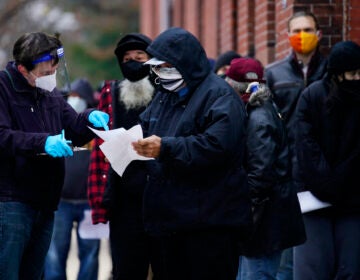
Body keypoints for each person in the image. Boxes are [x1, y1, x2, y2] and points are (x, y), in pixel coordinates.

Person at [131, 27, 253, 280]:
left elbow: (215, 147)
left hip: (209, 225)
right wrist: (127, 145)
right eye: (156, 67)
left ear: (184, 63)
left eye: (165, 66)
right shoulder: (165, 95)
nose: (159, 73)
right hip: (170, 222)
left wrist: (165, 148)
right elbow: (145, 127)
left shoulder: (219, 96)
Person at [0, 32, 109, 280]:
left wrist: (90, 118)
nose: (51, 78)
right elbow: (3, 136)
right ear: (22, 69)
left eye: (54, 71)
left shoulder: (49, 94)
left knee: (35, 273)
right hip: (11, 202)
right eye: (45, 73)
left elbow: (72, 125)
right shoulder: (3, 89)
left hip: (45, 203)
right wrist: (43, 142)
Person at [224, 57, 305, 280]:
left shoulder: (257, 118)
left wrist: (245, 218)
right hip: (267, 220)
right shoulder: (261, 110)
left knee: (256, 274)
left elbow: (260, 177)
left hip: (263, 225)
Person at [264, 11, 328, 278]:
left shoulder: (330, 71)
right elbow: (266, 124)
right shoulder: (273, 74)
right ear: (287, 36)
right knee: (287, 257)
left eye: (308, 30)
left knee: (319, 254)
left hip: (323, 171)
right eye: (297, 30)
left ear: (319, 34)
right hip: (286, 173)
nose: (303, 36)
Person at [88, 33, 155, 280]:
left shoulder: (163, 92)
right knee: (126, 268)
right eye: (127, 59)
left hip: (159, 196)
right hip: (123, 198)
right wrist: (99, 200)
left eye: (140, 57)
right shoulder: (111, 92)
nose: (133, 62)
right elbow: (99, 147)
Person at [294, 40, 360, 279]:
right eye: (352, 73)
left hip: (350, 200)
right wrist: (329, 183)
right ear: (338, 73)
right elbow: (305, 146)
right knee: (313, 269)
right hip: (316, 199)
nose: (356, 79)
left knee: (349, 269)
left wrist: (335, 183)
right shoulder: (312, 96)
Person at [44, 78, 100, 280]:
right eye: (72, 96)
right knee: (54, 255)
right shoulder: (60, 123)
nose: (74, 100)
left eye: (78, 97)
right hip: (61, 202)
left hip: (90, 203)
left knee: (91, 254)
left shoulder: (96, 127)